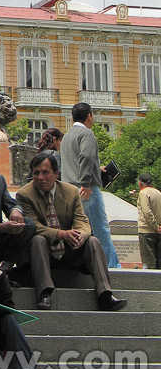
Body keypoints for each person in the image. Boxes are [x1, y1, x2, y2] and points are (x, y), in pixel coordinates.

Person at [16, 153, 127, 312]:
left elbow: (82, 220)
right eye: (36, 173)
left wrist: (80, 235)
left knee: (93, 241)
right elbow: (33, 225)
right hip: (42, 253)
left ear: (56, 174)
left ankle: (105, 296)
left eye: (45, 172)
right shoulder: (24, 195)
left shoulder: (71, 192)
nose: (40, 177)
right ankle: (44, 294)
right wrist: (61, 234)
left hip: (70, 250)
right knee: (37, 239)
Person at [60, 102, 121, 269]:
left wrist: (96, 168)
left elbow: (74, 160)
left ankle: (85, 264)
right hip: (86, 189)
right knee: (100, 228)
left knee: (79, 229)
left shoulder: (67, 136)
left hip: (68, 189)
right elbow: (86, 157)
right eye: (92, 116)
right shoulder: (87, 134)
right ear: (89, 116)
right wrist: (86, 182)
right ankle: (112, 266)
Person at [136, 173, 161, 269]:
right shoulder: (158, 192)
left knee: (149, 263)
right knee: (159, 264)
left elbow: (147, 212)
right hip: (158, 232)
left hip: (146, 231)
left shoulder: (143, 193)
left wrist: (155, 226)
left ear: (140, 183)